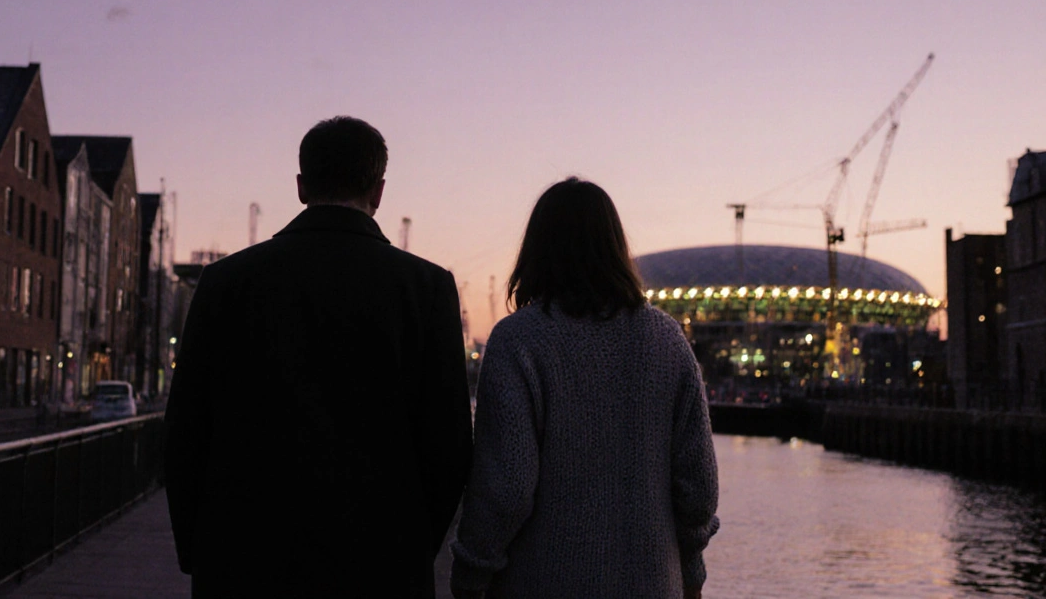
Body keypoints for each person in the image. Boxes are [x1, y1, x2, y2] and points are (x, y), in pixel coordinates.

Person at [165, 116, 473, 599]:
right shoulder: (427, 289)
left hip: (243, 561)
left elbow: (185, 432)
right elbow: (449, 446)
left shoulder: (225, 281)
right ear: (379, 190)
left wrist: (199, 550)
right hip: (381, 564)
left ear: (302, 186)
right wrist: (412, 546)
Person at [450, 177, 719, 599]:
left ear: (536, 249)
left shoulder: (518, 341)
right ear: (616, 247)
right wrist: (691, 571)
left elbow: (507, 486)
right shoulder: (667, 340)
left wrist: (471, 574)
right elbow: (698, 489)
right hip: (652, 583)